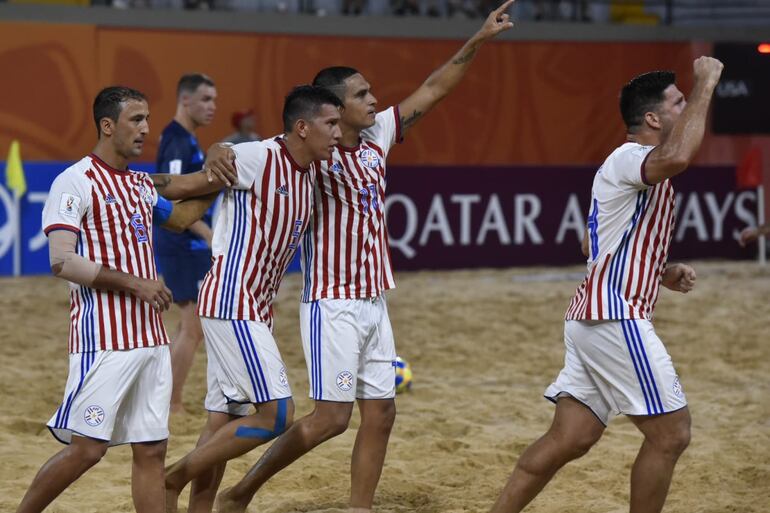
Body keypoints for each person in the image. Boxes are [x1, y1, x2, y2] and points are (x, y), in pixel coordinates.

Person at [205, 3, 515, 512]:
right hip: (332, 303)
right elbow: (253, 152)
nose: (375, 100)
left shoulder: (377, 138)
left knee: (383, 414)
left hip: (375, 300)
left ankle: (359, 508)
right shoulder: (312, 155)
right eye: (362, 94)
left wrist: (478, 38)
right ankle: (241, 492)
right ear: (333, 109)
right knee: (330, 418)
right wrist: (216, 145)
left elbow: (434, 88)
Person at [490, 57, 724, 513]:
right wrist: (706, 83)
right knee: (671, 435)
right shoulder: (630, 157)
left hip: (592, 318)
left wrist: (658, 270)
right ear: (653, 119)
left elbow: (590, 243)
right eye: (679, 102)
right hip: (615, 316)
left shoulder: (633, 169)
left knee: (569, 438)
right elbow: (677, 155)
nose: (688, 106)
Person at [16, 86, 234, 513]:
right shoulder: (75, 180)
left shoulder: (138, 184)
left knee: (151, 451)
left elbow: (185, 215)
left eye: (148, 119)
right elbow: (61, 261)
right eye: (136, 120)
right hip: (104, 342)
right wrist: (137, 284)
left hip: (151, 341)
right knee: (87, 450)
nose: (146, 129)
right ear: (107, 125)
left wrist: (223, 165)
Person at [163, 85, 343, 513]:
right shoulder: (258, 157)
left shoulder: (313, 169)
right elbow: (183, 187)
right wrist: (214, 150)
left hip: (256, 308)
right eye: (330, 124)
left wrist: (216, 146)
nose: (338, 133)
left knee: (223, 423)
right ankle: (172, 477)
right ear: (302, 127)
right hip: (232, 299)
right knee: (277, 414)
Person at [155, 72, 218, 413]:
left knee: (187, 325)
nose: (213, 107)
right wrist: (209, 234)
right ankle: (172, 402)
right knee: (194, 327)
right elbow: (173, 200)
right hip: (182, 245)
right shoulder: (178, 141)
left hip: (185, 245)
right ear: (185, 100)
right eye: (206, 99)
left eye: (214, 100)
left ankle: (164, 394)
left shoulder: (186, 139)